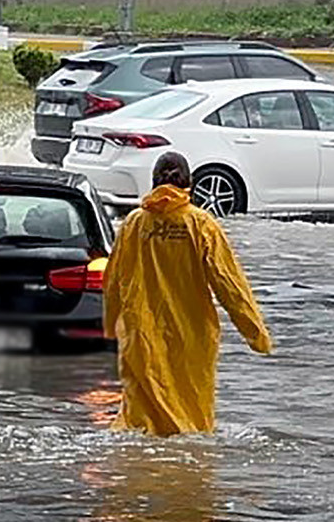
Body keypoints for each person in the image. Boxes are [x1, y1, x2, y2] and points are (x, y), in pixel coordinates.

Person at [103, 153, 272, 437]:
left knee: (141, 421)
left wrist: (110, 327)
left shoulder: (133, 224)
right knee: (190, 419)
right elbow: (229, 284)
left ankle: (143, 476)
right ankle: (185, 476)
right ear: (189, 182)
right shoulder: (201, 224)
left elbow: (112, 281)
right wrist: (256, 334)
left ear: (153, 181)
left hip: (140, 334)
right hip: (191, 337)